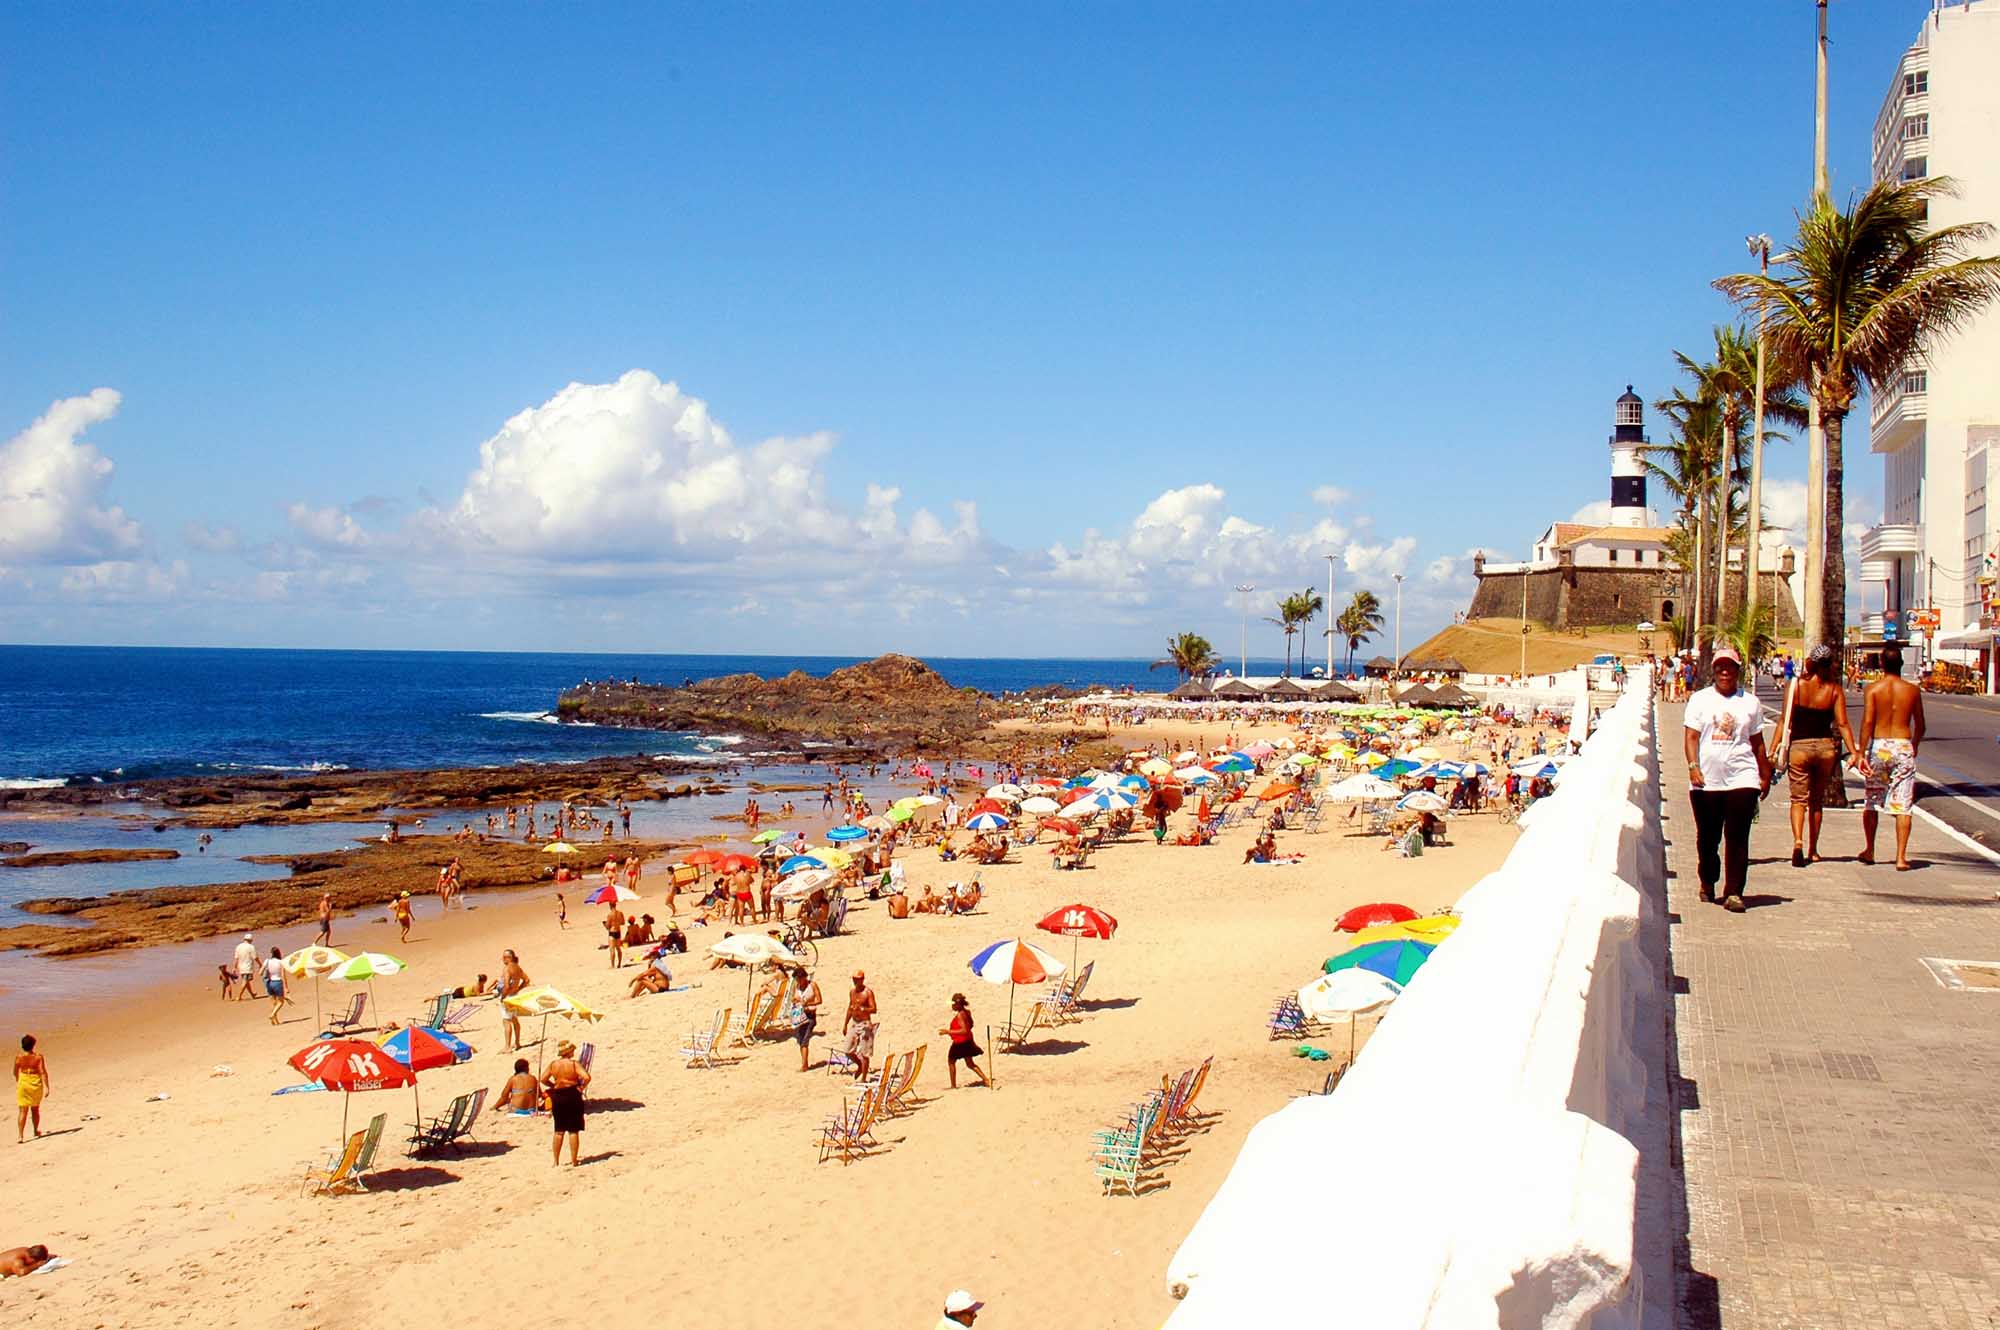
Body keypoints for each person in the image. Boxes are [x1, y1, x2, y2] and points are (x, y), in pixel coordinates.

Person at [1683, 645, 1773, 913]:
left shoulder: (1750, 702)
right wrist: (1692, 766)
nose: (1725, 671)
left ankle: (1734, 891)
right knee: (1708, 839)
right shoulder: (1700, 700)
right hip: (1706, 781)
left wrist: (1764, 773)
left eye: (1730, 667)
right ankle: (1708, 880)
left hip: (1742, 778)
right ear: (1714, 670)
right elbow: (1691, 737)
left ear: (1737, 670)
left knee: (1737, 837)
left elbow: (1757, 743)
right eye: (1720, 666)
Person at [1775, 643, 1863, 867]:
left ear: (1810, 663)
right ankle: (1813, 849)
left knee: (1798, 799)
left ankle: (1798, 841)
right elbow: (1842, 724)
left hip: (1799, 748)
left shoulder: (1796, 686)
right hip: (1825, 748)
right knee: (1816, 801)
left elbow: (1785, 719)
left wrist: (1772, 748)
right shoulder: (1833, 690)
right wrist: (1855, 752)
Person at [1860, 645, 1926, 871]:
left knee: (1871, 800)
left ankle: (1869, 850)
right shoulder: (1912, 690)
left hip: (1879, 745)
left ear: (1881, 664)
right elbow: (1920, 724)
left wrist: (1860, 752)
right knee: (1904, 804)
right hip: (1902, 744)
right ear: (1901, 664)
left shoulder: (1873, 689)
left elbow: (1868, 722)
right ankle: (1900, 857)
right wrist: (1913, 746)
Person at [542, 1040, 591, 1166]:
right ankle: (574, 1160)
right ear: (569, 1051)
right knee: (573, 1130)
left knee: (559, 1130)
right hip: (572, 1094)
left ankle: (556, 1161)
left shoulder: (553, 1065)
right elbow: (586, 1077)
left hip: (558, 1095)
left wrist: (553, 1085)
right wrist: (581, 1088)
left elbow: (543, 1079)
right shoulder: (574, 1064)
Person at [940, 993, 990, 1089]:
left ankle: (953, 1086)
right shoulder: (967, 1012)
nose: (952, 1006)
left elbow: (964, 1030)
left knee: (951, 1061)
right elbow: (970, 1025)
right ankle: (985, 1079)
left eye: (953, 1004)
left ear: (958, 1005)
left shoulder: (960, 1015)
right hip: (968, 1040)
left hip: (960, 1042)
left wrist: (948, 1031)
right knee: (970, 1064)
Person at [842, 969, 878, 1081]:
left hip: (865, 1024)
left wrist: (863, 1009)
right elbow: (850, 1008)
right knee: (848, 1050)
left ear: (862, 980)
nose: (855, 981)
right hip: (854, 1022)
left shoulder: (868, 993)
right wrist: (845, 1024)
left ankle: (864, 1078)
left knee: (865, 1053)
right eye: (854, 979)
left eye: (857, 979)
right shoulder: (852, 992)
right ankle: (860, 1066)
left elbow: (874, 1009)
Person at [15, 1035, 49, 1143]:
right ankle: (35, 1130)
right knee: (35, 1109)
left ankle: (20, 1136)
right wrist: (47, 1087)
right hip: (34, 1082)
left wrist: (19, 1080)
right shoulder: (38, 1057)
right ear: (33, 1045)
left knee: (22, 1110)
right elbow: (43, 1072)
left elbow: (15, 1071)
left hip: (24, 1081)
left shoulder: (19, 1057)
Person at [497, 950, 530, 1051]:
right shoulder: (517, 967)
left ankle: (507, 1046)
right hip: (514, 996)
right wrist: (518, 989)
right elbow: (527, 980)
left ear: (509, 958)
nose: (503, 959)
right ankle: (517, 1043)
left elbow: (506, 985)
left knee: (506, 1021)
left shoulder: (507, 969)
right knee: (514, 1020)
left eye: (504, 957)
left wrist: (503, 997)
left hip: (507, 997)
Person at [794, 966, 822, 1072]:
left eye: (799, 979)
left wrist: (807, 1002)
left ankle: (804, 1065)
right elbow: (794, 998)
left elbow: (819, 1000)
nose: (798, 981)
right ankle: (804, 1063)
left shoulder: (812, 985)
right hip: (800, 1015)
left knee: (804, 1040)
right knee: (801, 1040)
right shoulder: (797, 987)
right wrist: (795, 1000)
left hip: (810, 1015)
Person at [261, 947, 294, 1025]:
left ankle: (275, 1021)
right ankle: (272, 1015)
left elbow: (260, 972)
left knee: (274, 1003)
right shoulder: (281, 962)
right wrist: (286, 987)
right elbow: (283, 975)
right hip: (277, 982)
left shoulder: (267, 961)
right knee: (281, 1002)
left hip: (269, 983)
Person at [232, 933, 258, 1003]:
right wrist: (260, 964)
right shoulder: (251, 947)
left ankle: (252, 994)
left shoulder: (238, 946)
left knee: (246, 981)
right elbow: (255, 957)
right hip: (248, 967)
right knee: (245, 981)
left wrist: (234, 968)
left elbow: (236, 958)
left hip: (241, 967)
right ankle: (239, 996)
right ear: (250, 940)